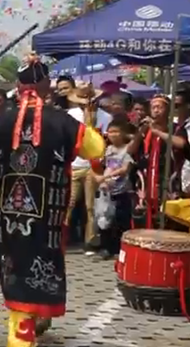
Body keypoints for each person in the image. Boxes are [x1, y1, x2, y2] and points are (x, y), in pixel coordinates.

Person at [0, 55, 106, 347]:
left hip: (10, 216)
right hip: (48, 217)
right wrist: (87, 112)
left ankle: (25, 327)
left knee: (15, 266)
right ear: (45, 84)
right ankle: (23, 334)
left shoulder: (2, 122)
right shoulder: (62, 121)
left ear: (19, 86)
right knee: (41, 266)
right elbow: (96, 149)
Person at [130, 94, 190, 229]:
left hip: (168, 185)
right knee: (144, 225)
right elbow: (130, 151)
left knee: (169, 224)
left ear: (168, 110)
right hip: (146, 187)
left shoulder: (176, 129)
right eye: (153, 107)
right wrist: (140, 132)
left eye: (160, 107)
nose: (156, 110)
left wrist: (157, 132)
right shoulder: (144, 130)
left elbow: (182, 144)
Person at [66, 83, 111, 253]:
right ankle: (61, 237)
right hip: (75, 164)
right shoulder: (70, 115)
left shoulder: (105, 117)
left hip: (94, 166)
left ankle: (91, 241)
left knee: (91, 206)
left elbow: (106, 141)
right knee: (69, 203)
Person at [93, 113, 136, 260]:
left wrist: (105, 177)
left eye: (116, 131)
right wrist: (102, 179)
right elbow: (102, 166)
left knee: (121, 221)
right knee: (104, 220)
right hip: (107, 192)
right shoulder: (108, 150)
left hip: (122, 191)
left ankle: (120, 250)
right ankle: (106, 248)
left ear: (123, 133)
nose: (113, 134)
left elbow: (125, 169)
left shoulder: (127, 150)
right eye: (110, 132)